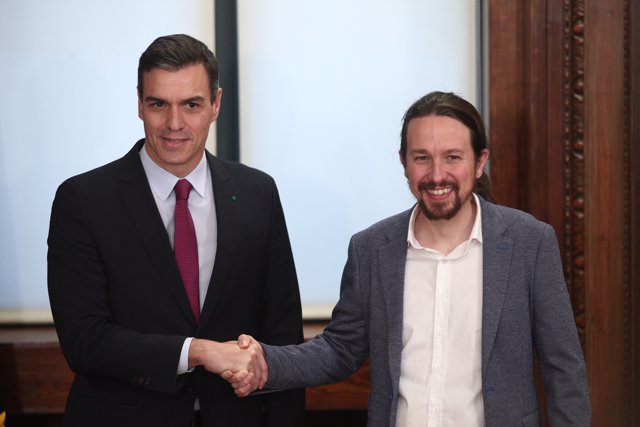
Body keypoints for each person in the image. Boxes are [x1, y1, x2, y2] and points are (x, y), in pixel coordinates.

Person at [227, 91, 592, 426]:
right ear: (404, 163)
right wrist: (264, 361)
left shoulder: (529, 243)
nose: (436, 175)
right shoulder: (371, 249)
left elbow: (563, 369)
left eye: (452, 157)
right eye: (422, 158)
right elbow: (339, 350)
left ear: (480, 162)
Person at [47, 34, 304, 427]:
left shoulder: (258, 193)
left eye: (192, 105)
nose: (174, 124)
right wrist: (196, 351)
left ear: (216, 104)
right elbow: (85, 340)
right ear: (139, 104)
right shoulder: (83, 200)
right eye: (158, 104)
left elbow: (284, 334)